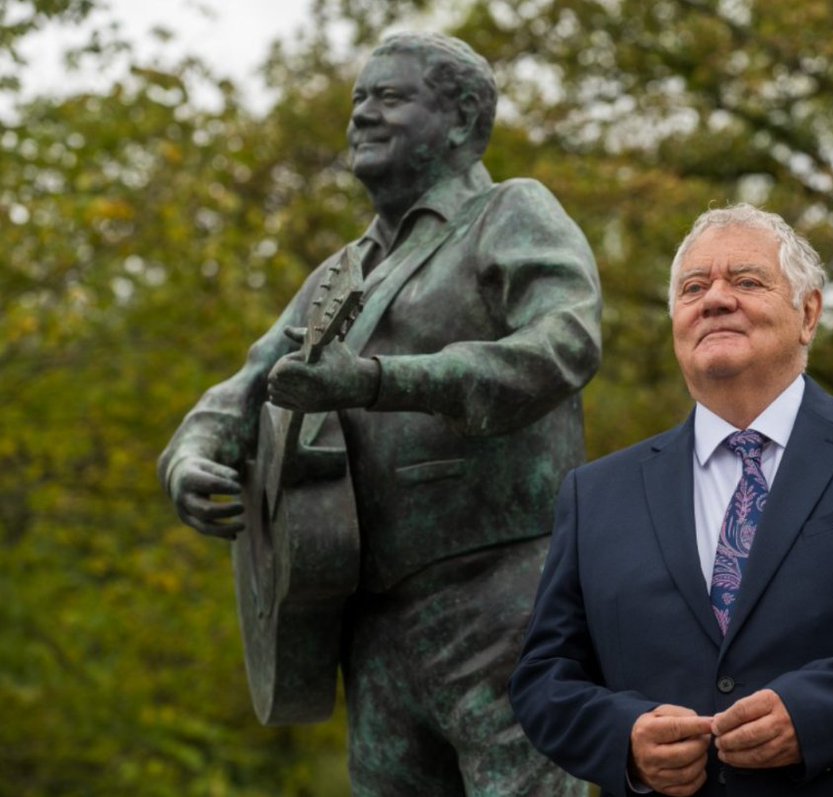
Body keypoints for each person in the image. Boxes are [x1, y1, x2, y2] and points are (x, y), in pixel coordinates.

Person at [158, 32, 601, 796]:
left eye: (388, 98)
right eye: (358, 100)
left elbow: (564, 344)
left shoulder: (510, 213)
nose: (361, 116)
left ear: (461, 120)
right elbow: (243, 389)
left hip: (505, 603)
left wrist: (377, 379)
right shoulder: (341, 272)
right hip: (375, 630)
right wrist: (191, 456)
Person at [509, 204, 833, 796]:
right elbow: (544, 679)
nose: (715, 299)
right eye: (694, 287)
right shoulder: (594, 494)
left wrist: (815, 711)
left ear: (809, 313)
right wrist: (624, 739)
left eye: (746, 281)